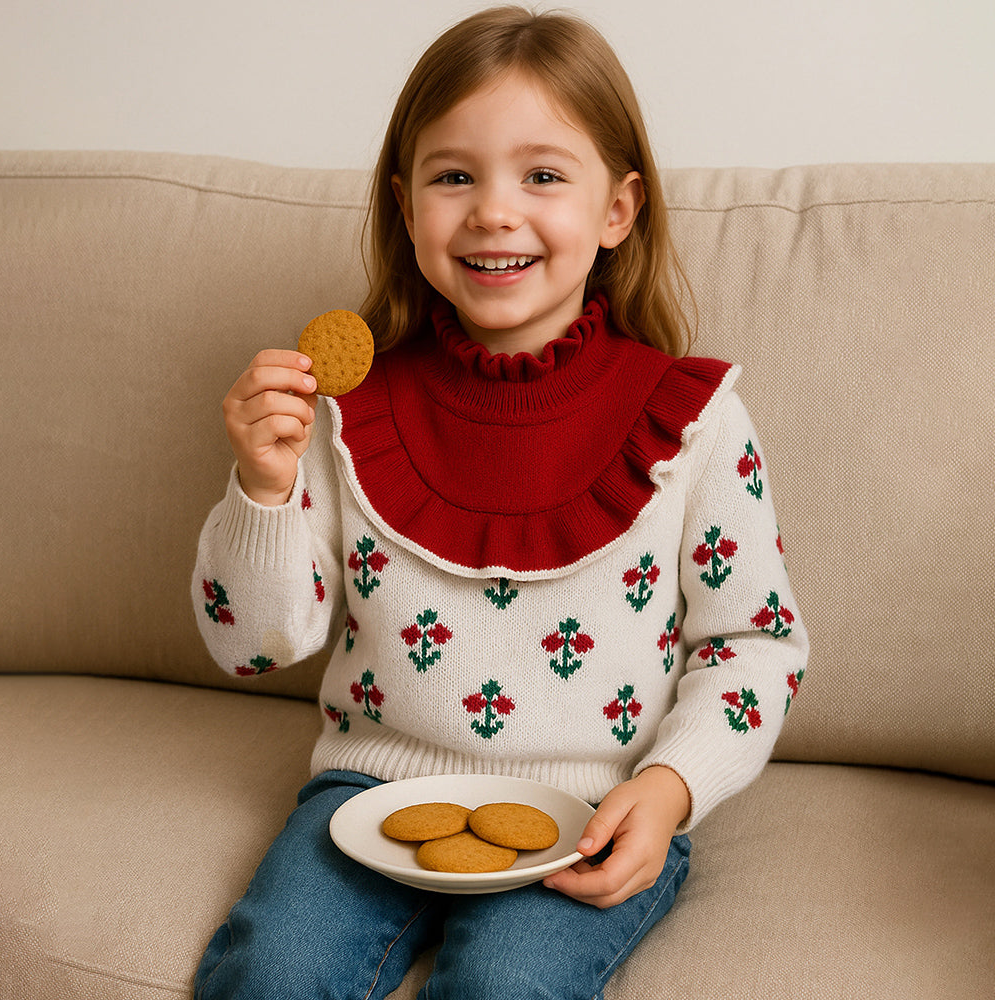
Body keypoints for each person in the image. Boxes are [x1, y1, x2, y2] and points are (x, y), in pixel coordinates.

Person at [192, 6, 808, 998]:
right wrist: (262, 489)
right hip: (367, 791)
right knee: (267, 974)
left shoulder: (693, 420)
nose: (491, 210)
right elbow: (250, 645)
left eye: (543, 174)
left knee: (505, 991)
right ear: (404, 204)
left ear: (618, 209)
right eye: (453, 176)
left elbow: (754, 644)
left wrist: (668, 788)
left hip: (593, 804)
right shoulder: (341, 409)